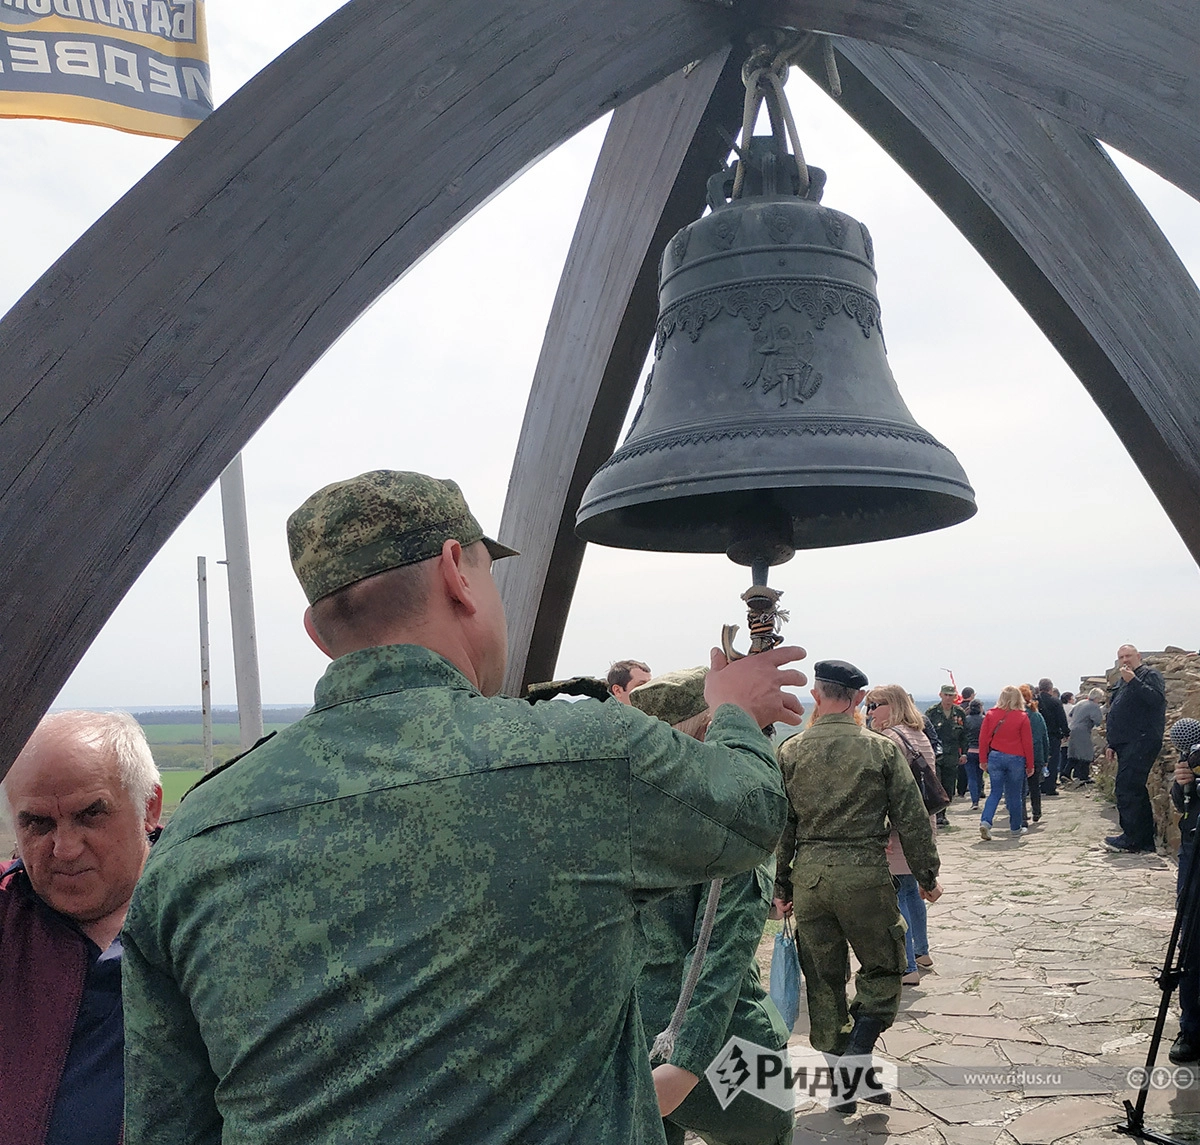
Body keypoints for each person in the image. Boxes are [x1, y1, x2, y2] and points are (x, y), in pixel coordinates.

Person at [121, 470, 807, 1145]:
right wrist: (734, 713)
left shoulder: (195, 836)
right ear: (457, 571)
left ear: (316, 630)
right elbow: (748, 815)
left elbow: (167, 1122)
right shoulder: (587, 756)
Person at [630, 668, 793, 1145]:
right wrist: (685, 1060)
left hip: (629, 1035)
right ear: (710, 729)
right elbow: (718, 947)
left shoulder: (622, 808)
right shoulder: (729, 818)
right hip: (721, 1040)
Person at [774, 660, 941, 1109]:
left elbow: (783, 826)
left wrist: (781, 885)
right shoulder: (879, 750)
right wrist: (926, 874)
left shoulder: (790, 750)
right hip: (865, 875)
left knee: (824, 979)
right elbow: (911, 816)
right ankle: (859, 1051)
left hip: (811, 877)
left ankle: (844, 1084)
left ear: (816, 694)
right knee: (885, 967)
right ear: (858, 699)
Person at [0, 711, 163, 1145]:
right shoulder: (6, 918)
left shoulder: (212, 918)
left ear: (149, 807)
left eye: (91, 815)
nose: (66, 849)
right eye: (38, 823)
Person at [864, 684, 938, 986]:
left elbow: (883, 791)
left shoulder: (890, 739)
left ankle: (906, 966)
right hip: (919, 823)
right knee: (910, 889)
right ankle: (921, 952)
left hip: (896, 828)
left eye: (874, 705)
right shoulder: (916, 734)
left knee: (896, 895)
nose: (868, 712)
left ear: (891, 706)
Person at [1104, 644, 1166, 854]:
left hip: (1142, 740)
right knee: (1132, 788)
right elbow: (1118, 712)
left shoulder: (1149, 675)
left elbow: (1156, 700)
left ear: (1138, 656)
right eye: (1121, 657)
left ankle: (1132, 838)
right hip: (1126, 742)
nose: (1125, 660)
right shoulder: (1122, 681)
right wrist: (1112, 743)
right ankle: (1141, 839)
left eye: (1128, 656)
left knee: (1128, 788)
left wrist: (1134, 681)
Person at [1168, 718, 1200, 1065]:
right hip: (1195, 847)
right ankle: (1191, 1030)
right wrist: (1183, 784)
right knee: (1191, 943)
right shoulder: (1192, 751)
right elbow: (1183, 805)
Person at [978, 686, 1034, 840]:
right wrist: (1030, 765)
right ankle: (1016, 827)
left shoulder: (990, 715)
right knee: (1014, 795)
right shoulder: (1022, 717)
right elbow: (1027, 743)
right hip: (1016, 758)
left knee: (995, 792)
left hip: (995, 756)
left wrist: (983, 759)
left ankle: (986, 821)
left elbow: (983, 739)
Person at [925, 685, 966, 827]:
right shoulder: (932, 712)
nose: (949, 698)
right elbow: (925, 732)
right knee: (936, 784)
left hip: (952, 755)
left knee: (949, 786)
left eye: (951, 696)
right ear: (941, 695)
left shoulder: (959, 713)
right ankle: (938, 815)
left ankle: (943, 813)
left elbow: (964, 735)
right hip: (936, 755)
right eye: (946, 695)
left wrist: (964, 753)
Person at [1019, 684, 1051, 826]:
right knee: (1034, 787)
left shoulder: (1016, 716)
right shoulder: (1037, 716)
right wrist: (1045, 758)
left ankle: (1022, 815)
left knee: (1020, 788)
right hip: (1037, 755)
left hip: (1019, 755)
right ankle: (1036, 812)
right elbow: (1045, 738)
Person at [1036, 679, 1070, 797]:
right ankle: (1050, 786)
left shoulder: (1034, 701)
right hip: (1052, 735)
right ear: (1050, 688)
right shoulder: (1055, 702)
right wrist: (1066, 733)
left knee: (1039, 761)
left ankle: (1038, 785)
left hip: (1037, 736)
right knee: (1053, 761)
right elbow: (1062, 719)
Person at [1066, 688, 1105, 785]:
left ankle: (1066, 773)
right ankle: (1083, 776)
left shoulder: (1081, 702)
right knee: (1086, 753)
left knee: (1074, 753)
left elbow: (1071, 714)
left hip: (1073, 729)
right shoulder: (1094, 706)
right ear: (1097, 698)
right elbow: (1097, 721)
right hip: (1083, 730)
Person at [964, 699, 985, 809]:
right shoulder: (984, 720)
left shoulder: (966, 720)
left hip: (969, 751)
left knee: (971, 777)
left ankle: (974, 801)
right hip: (982, 751)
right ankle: (980, 792)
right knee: (979, 775)